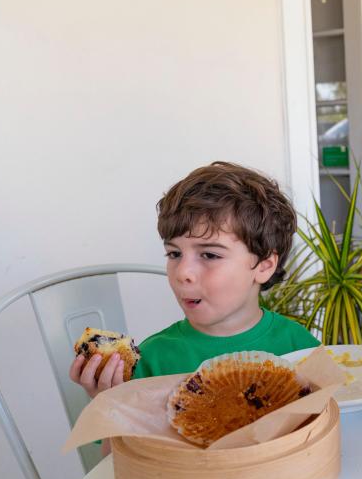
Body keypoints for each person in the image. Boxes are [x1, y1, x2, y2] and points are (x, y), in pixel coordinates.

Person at [70, 162, 319, 396]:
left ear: (264, 266)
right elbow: (119, 444)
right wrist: (110, 406)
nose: (182, 272)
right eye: (174, 254)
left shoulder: (300, 348)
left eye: (210, 254)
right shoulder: (152, 360)